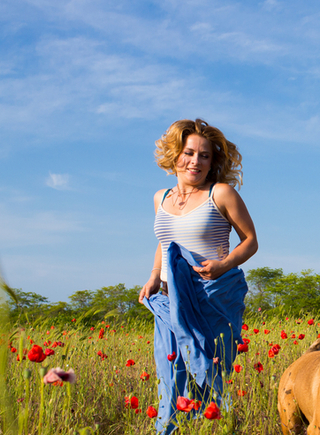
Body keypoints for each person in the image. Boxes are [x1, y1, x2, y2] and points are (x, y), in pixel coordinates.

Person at [138, 119, 257, 434]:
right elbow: (165, 243)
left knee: (209, 368)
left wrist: (222, 265)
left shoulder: (220, 193)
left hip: (212, 295)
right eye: (189, 153)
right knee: (171, 368)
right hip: (170, 297)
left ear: (212, 161)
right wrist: (154, 275)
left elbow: (250, 241)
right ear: (175, 155)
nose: (196, 161)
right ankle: (170, 428)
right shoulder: (160, 198)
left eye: (204, 156)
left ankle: (214, 427)